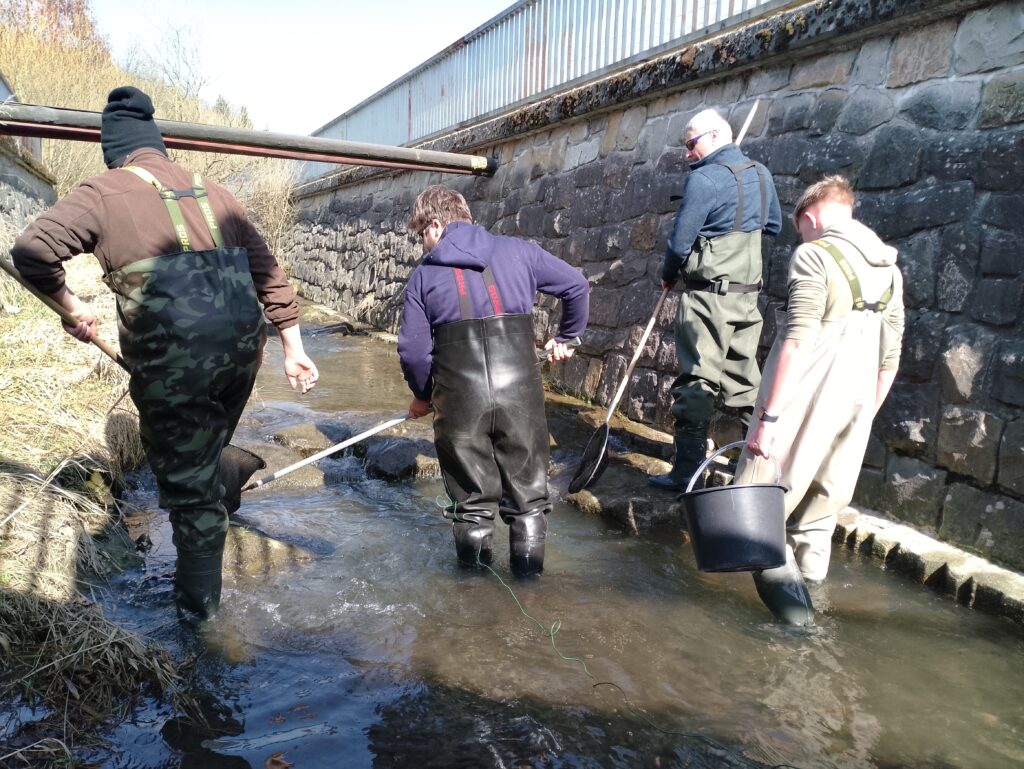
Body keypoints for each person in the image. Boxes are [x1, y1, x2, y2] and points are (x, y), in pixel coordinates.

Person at [10, 86, 318, 622]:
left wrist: (72, 306)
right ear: (157, 144)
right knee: (201, 446)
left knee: (191, 496)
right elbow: (269, 274)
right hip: (242, 356)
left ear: (114, 149)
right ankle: (216, 475)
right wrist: (294, 347)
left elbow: (31, 251)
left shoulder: (103, 192)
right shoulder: (217, 192)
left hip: (173, 365)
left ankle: (201, 625)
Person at [734, 175, 904, 624]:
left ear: (809, 218)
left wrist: (768, 420)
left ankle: (793, 623)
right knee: (816, 524)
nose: (802, 239)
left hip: (800, 405)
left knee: (754, 516)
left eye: (801, 230)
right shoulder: (890, 271)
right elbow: (890, 359)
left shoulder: (814, 256)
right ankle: (807, 627)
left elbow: (797, 340)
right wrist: (863, 417)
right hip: (855, 411)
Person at [398, 185, 589, 576]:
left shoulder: (424, 276)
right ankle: (530, 589)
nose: (423, 243)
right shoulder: (521, 251)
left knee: (471, 507)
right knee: (529, 502)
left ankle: (473, 596)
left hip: (459, 402)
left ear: (436, 224)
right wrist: (567, 337)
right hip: (520, 392)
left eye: (421, 234)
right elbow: (577, 286)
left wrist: (423, 395)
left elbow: (414, 353)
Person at [650, 108, 782, 491]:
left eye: (690, 143)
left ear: (713, 136)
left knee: (697, 381)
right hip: (747, 296)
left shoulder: (704, 179)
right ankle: (753, 469)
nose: (687, 152)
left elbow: (680, 242)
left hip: (708, 297)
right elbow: (772, 225)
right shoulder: (762, 174)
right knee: (744, 382)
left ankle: (686, 473)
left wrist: (668, 273)